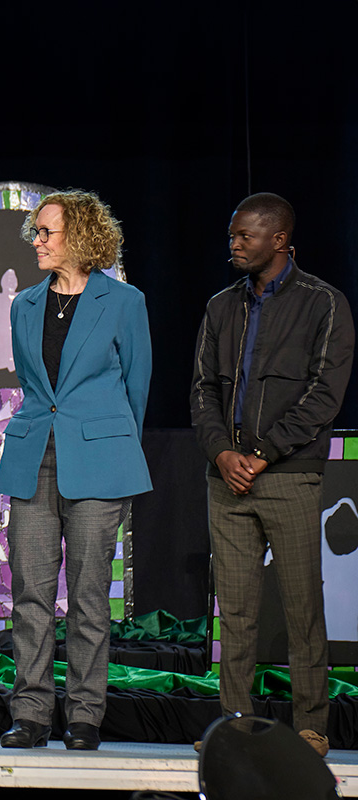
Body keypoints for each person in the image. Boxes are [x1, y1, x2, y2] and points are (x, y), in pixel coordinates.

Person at [190, 192, 354, 758]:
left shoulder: (323, 303)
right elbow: (204, 390)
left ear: (279, 239)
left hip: (288, 476)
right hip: (227, 480)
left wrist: (261, 454)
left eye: (245, 235)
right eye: (232, 235)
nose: (234, 244)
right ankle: (234, 725)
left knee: (302, 605)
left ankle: (312, 725)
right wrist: (221, 454)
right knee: (234, 609)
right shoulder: (219, 306)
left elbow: (323, 394)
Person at [0, 190, 152, 751]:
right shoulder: (25, 305)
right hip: (34, 459)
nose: (36, 241)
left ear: (80, 236)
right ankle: (31, 713)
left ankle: (84, 714)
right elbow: (34, 388)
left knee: (89, 596)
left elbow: (137, 390)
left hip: (100, 462)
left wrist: (107, 443)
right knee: (30, 594)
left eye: (46, 232)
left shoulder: (124, 301)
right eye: (35, 233)